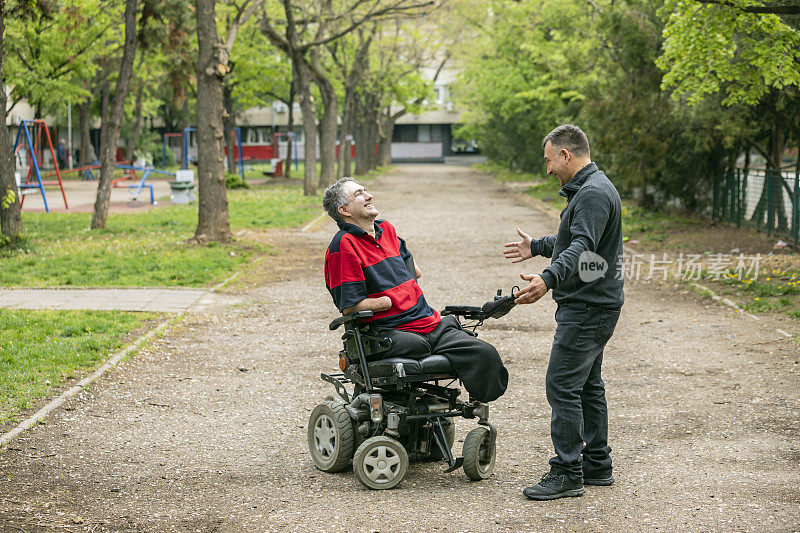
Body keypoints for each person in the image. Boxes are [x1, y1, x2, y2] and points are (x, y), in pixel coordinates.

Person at [503, 124, 624, 500]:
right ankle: (597, 464)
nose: (549, 168)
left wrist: (548, 278)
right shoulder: (594, 189)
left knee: (562, 386)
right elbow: (576, 239)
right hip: (597, 303)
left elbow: (584, 249)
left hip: (588, 307)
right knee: (588, 385)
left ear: (565, 155)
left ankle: (568, 471)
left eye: (550, 160)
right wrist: (539, 245)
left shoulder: (591, 194)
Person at [323, 177, 508, 403]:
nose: (368, 195)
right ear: (344, 210)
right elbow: (349, 306)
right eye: (359, 194)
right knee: (417, 345)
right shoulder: (343, 245)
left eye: (366, 190)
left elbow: (413, 271)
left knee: (484, 354)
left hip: (427, 322)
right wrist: (386, 302)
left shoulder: (387, 229)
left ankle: (475, 408)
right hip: (388, 330)